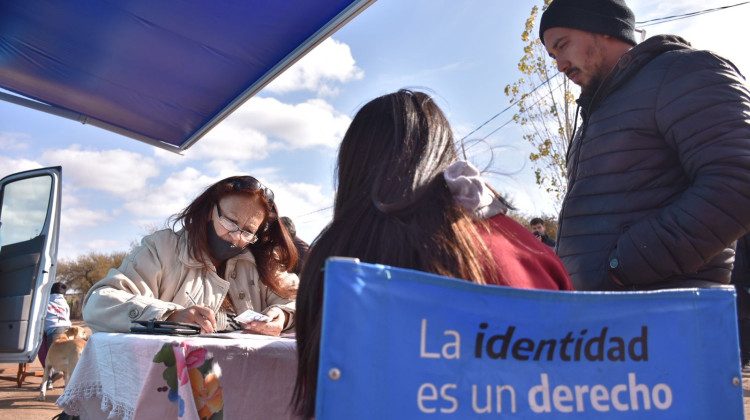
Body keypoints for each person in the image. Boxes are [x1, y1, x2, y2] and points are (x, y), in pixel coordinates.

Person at [292, 89, 572, 417]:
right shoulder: (517, 246)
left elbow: (322, 389)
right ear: (444, 156)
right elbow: (568, 359)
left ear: (351, 168)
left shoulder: (330, 261)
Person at [540, 0, 750, 291]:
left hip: (668, 317)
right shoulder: (592, 118)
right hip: (603, 321)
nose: (559, 65)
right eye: (552, 55)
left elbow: (739, 180)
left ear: (604, 28)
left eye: (562, 45)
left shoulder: (680, 71)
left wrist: (623, 267)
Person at [82, 175, 298, 336]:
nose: (235, 237)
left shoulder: (261, 261)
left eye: (248, 231)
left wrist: (285, 315)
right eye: (230, 221)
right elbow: (99, 304)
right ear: (208, 211)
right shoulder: (162, 248)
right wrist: (169, 316)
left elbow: (303, 301)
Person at [38, 282, 72, 385]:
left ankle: (52, 376)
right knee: (66, 355)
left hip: (53, 330)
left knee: (50, 355)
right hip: (67, 329)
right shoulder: (64, 303)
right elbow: (67, 315)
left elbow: (42, 317)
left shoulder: (46, 301)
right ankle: (68, 383)